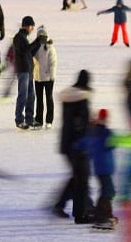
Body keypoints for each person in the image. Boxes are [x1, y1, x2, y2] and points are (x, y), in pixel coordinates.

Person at [53, 69, 94, 223]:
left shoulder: (68, 98)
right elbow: (81, 124)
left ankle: (67, 205)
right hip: (77, 145)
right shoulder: (81, 100)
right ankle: (78, 206)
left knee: (77, 176)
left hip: (66, 142)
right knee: (81, 176)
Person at [73, 108, 117, 230]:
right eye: (103, 119)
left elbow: (80, 144)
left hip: (102, 168)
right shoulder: (102, 133)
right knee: (108, 192)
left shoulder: (93, 134)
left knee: (108, 191)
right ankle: (101, 216)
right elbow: (112, 144)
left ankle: (105, 214)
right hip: (104, 168)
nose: (104, 121)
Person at [12, 16, 44, 129]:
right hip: (23, 70)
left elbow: (30, 53)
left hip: (29, 71)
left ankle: (29, 119)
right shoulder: (18, 38)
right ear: (27, 26)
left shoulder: (24, 38)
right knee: (23, 96)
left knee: (31, 96)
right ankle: (19, 120)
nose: (33, 29)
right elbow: (25, 50)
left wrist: (39, 43)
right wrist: (36, 41)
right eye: (32, 26)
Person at [33, 26, 57, 129]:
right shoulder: (35, 47)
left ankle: (49, 120)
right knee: (39, 99)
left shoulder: (50, 48)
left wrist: (52, 76)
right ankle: (39, 120)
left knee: (49, 98)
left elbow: (53, 63)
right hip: (38, 77)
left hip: (48, 78)